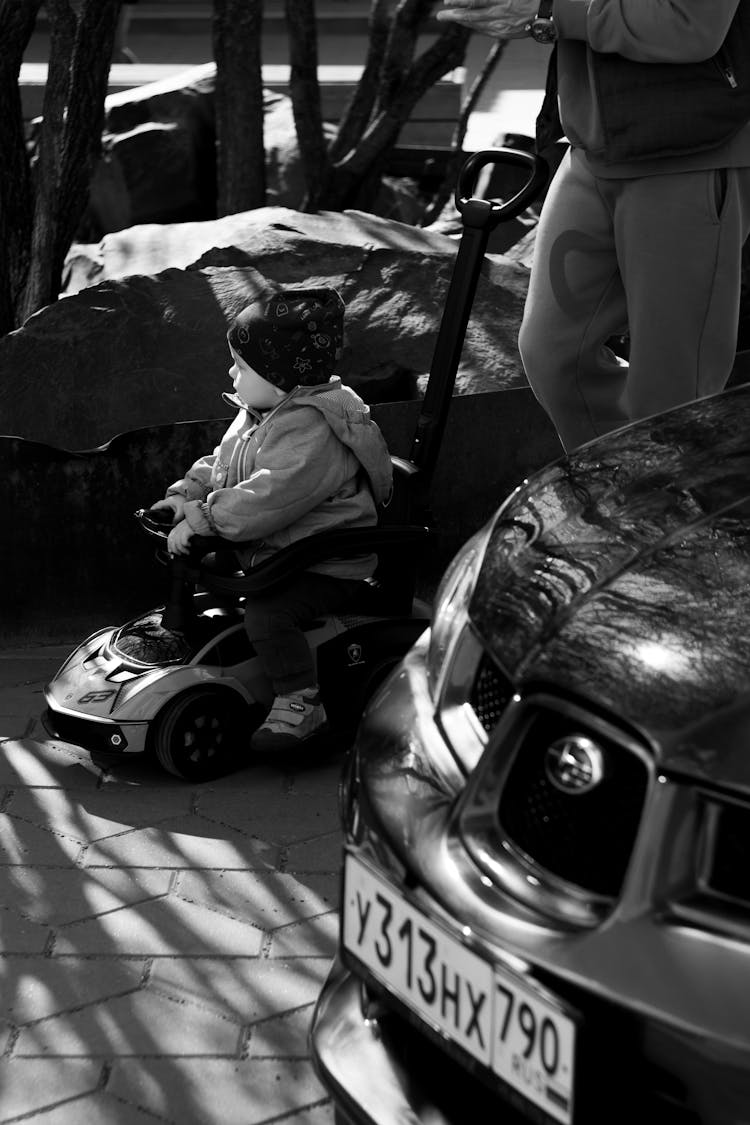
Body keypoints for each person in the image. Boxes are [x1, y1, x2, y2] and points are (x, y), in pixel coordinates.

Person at [437, 0, 750, 452]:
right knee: (552, 356)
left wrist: (549, 10)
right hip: (590, 147)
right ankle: (615, 492)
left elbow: (691, 27)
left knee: (672, 392)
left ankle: (669, 510)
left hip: (692, 151)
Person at [150, 287, 393, 751]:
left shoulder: (312, 430)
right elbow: (221, 466)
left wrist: (202, 520)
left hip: (326, 563)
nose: (231, 373)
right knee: (206, 577)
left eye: (241, 367)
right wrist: (186, 496)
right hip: (278, 551)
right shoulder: (262, 412)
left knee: (268, 613)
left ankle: (300, 701)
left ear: (279, 376)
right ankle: (190, 654)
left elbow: (267, 498)